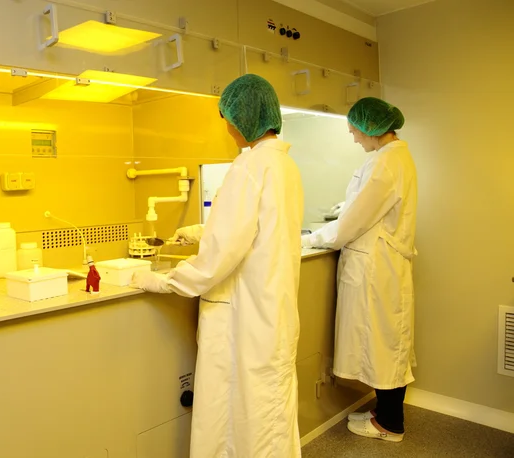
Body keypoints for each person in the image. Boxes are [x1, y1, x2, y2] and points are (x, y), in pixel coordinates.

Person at [131, 74, 304, 458]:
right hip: (271, 310)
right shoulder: (282, 165)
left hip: (244, 315)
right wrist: (200, 231)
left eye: (228, 117)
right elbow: (255, 228)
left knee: (241, 415)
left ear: (244, 118)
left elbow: (219, 257)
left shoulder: (248, 167)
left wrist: (165, 281)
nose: (227, 127)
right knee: (266, 410)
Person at [302, 97, 417, 442]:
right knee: (387, 342)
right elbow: (362, 207)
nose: (353, 138)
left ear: (370, 128)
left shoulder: (385, 163)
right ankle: (384, 413)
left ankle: (390, 425)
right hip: (382, 265)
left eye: (354, 131)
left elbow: (350, 222)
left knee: (383, 344)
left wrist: (308, 240)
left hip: (377, 269)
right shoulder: (395, 157)